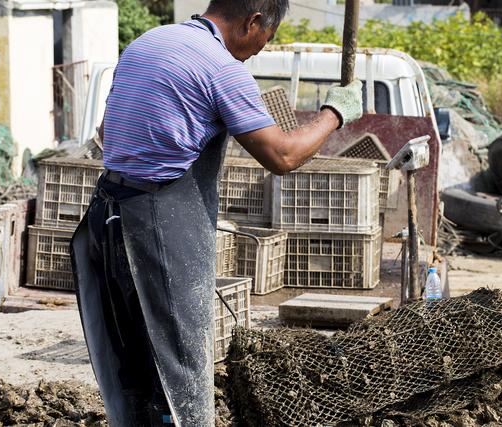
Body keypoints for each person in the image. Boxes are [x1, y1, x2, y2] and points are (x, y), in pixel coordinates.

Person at [70, 0, 364, 425]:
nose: (263, 47)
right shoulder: (222, 68)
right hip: (157, 229)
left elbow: (105, 131)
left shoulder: (149, 43)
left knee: (131, 363)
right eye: (268, 36)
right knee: (181, 369)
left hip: (106, 219)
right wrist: (334, 113)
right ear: (254, 21)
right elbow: (282, 155)